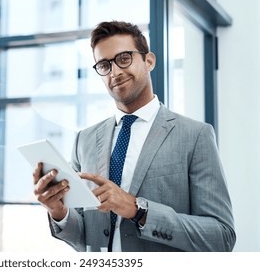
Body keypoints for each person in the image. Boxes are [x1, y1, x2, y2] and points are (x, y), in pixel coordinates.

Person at [32, 20, 236, 252]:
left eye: (124, 58)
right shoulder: (84, 140)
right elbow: (85, 237)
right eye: (104, 65)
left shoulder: (195, 135)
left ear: (149, 61)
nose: (115, 72)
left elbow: (221, 236)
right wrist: (59, 211)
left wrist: (138, 209)